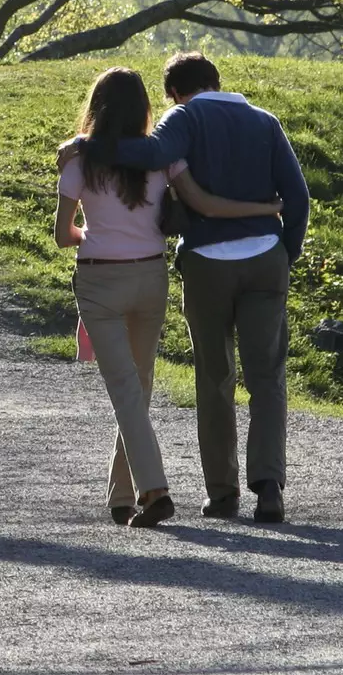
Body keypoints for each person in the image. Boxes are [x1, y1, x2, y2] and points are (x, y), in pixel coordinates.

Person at [60, 52, 311, 523]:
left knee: (214, 377)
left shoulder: (184, 116)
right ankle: (269, 486)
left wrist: (85, 143)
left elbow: (153, 154)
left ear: (174, 92)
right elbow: (298, 197)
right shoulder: (265, 121)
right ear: (217, 81)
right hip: (265, 260)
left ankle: (222, 493)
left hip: (206, 262)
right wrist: (285, 253)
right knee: (267, 375)